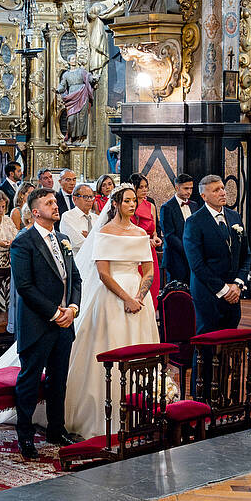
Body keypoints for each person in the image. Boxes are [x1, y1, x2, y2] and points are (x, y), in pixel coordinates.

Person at [63, 185, 160, 438]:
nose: (132, 204)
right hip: (112, 298)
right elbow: (103, 273)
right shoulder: (104, 232)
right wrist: (126, 298)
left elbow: (148, 270)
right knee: (111, 346)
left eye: (134, 201)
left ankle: (141, 410)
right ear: (115, 203)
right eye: (127, 200)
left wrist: (138, 297)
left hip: (139, 298)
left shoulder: (140, 233)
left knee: (139, 349)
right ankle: (104, 414)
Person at [9, 188, 81, 458]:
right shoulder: (23, 242)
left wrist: (72, 308)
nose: (55, 205)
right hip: (39, 323)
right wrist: (55, 312)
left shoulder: (62, 239)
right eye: (49, 202)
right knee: (29, 380)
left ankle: (56, 428)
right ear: (35, 211)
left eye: (55, 201)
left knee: (58, 379)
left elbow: (75, 278)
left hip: (65, 323)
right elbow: (25, 287)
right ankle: (25, 436)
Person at [182, 175, 251, 334]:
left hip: (234, 292)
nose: (222, 193)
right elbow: (197, 265)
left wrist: (238, 284)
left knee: (229, 340)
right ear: (204, 196)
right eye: (216, 190)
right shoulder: (194, 222)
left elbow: (246, 255)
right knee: (206, 345)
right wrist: (223, 289)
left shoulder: (234, 216)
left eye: (222, 188)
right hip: (208, 293)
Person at [158, 174, 195, 287]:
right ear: (177, 187)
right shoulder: (167, 207)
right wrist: (187, 250)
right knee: (177, 293)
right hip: (176, 257)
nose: (189, 191)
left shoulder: (194, 205)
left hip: (193, 257)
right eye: (186, 188)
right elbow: (169, 235)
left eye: (191, 188)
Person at [128, 173, 163, 277]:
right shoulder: (128, 206)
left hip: (150, 250)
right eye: (141, 187)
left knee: (153, 281)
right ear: (133, 188)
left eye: (146, 187)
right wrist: (145, 240)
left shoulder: (151, 205)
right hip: (134, 249)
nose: (144, 190)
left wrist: (156, 238)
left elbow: (154, 231)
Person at [58, 183, 99, 252]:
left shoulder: (96, 218)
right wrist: (95, 237)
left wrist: (88, 236)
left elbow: (103, 240)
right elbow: (78, 243)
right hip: (77, 259)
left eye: (91, 197)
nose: (89, 200)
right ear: (74, 199)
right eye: (85, 197)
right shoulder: (68, 216)